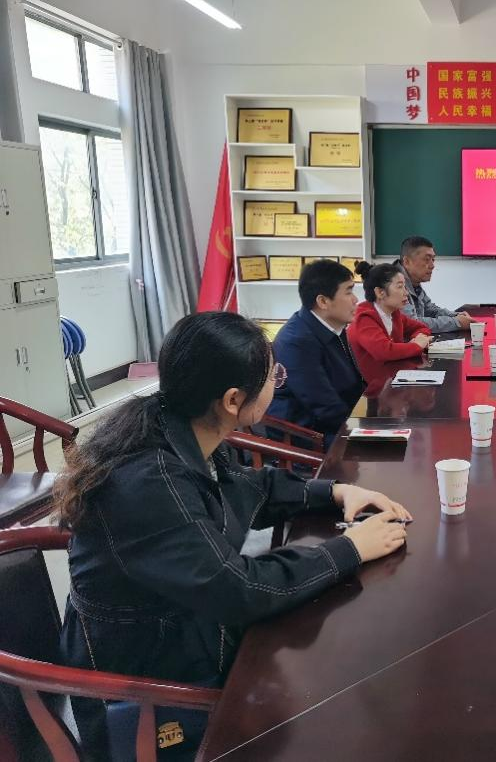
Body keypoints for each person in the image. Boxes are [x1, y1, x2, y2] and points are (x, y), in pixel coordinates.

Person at [55, 312, 412, 759]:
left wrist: (335, 491)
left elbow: (247, 488)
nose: (277, 384)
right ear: (232, 399)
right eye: (274, 377)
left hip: (189, 631)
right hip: (150, 685)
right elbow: (238, 588)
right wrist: (349, 549)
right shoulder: (149, 482)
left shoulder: (179, 426)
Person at [267, 260, 365, 444]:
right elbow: (325, 408)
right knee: (391, 450)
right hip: (307, 437)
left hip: (335, 424)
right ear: (323, 301)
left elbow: (353, 387)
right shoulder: (297, 342)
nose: (355, 299)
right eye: (348, 292)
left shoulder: (333, 326)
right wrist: (366, 429)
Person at [349, 261, 433, 389]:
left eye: (405, 286)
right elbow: (384, 351)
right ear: (380, 292)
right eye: (400, 287)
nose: (406, 293)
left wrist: (417, 339)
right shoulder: (364, 318)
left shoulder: (394, 313)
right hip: (370, 391)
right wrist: (416, 345)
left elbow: (421, 327)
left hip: (391, 382)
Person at [397, 235, 473, 332]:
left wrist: (456, 315)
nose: (432, 266)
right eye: (426, 259)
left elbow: (429, 309)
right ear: (407, 261)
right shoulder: (393, 284)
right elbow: (411, 323)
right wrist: (456, 323)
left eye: (433, 259)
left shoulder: (413, 281)